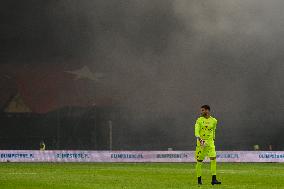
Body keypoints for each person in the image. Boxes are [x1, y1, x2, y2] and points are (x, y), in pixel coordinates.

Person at [194, 105, 221, 185]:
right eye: (201, 110)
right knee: (199, 161)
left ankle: (214, 179)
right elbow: (196, 131)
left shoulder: (214, 121)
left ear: (207, 110)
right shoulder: (199, 120)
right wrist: (199, 139)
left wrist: (213, 139)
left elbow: (214, 130)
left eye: (202, 110)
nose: (201, 112)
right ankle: (199, 180)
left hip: (210, 143)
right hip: (201, 143)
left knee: (213, 159)